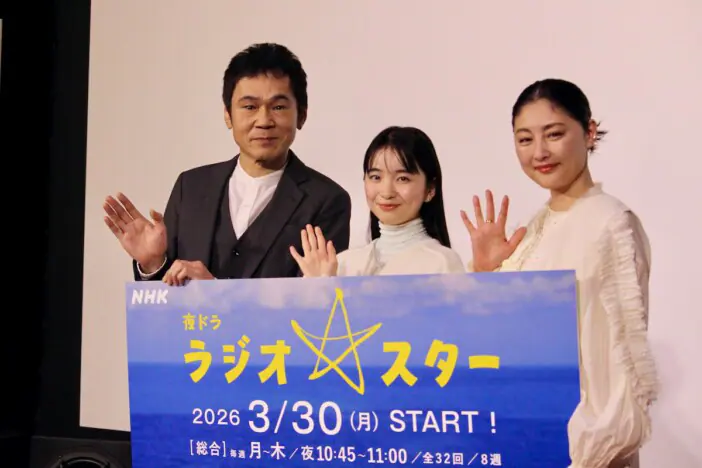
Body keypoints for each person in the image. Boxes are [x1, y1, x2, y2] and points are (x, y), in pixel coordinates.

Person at [461, 79, 658, 468]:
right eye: (525, 139)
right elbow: (507, 342)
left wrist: (588, 455)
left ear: (589, 132)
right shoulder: (534, 226)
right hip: (524, 441)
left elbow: (619, 368)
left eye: (553, 134)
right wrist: (486, 273)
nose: (539, 152)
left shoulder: (611, 224)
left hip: (584, 455)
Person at [103, 43, 351, 285]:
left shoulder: (327, 201)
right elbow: (166, 298)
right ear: (227, 115)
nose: (263, 121)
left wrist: (216, 291)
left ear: (302, 115)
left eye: (278, 107)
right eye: (249, 107)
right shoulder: (190, 187)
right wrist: (153, 263)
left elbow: (316, 305)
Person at [290, 126, 464, 277]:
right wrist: (318, 287)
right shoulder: (343, 264)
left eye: (403, 178)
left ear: (430, 189)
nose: (386, 192)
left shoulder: (441, 263)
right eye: (376, 177)